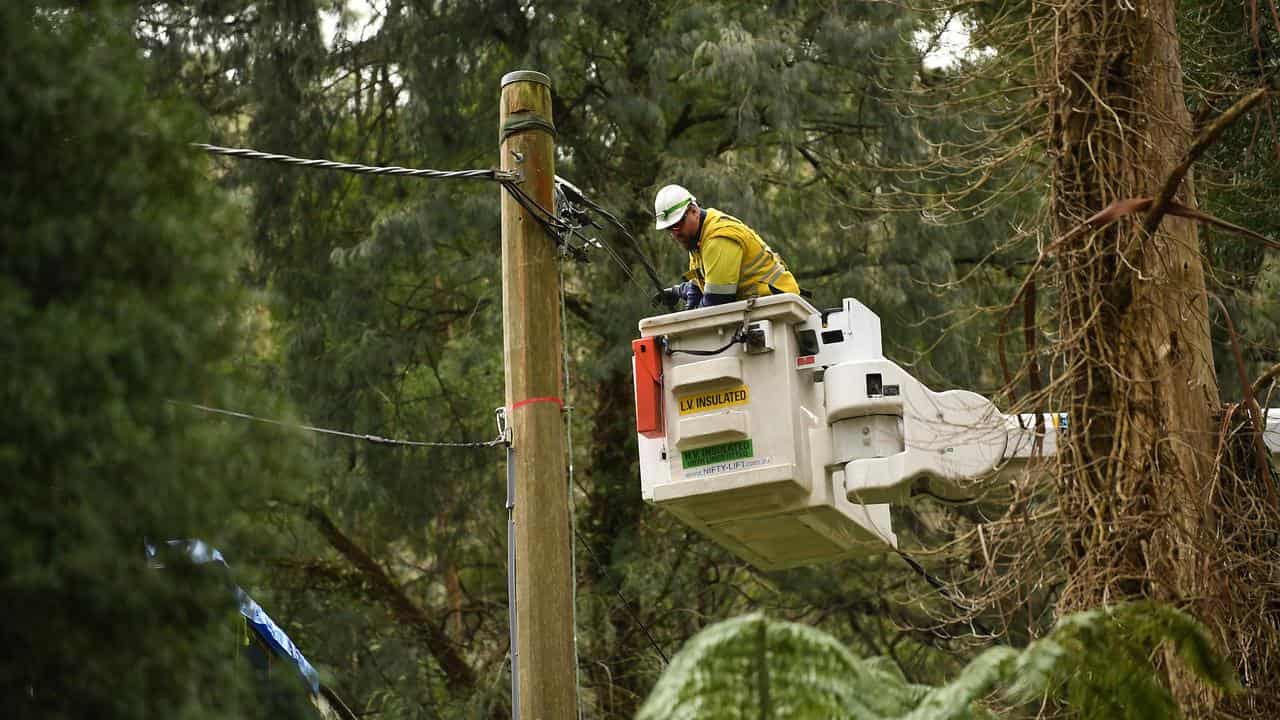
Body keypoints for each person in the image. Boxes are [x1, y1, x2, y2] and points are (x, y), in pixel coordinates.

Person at [651, 184, 801, 310]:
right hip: (758, 306)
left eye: (677, 225)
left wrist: (686, 324)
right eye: (669, 229)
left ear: (694, 211)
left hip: (778, 305)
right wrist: (678, 292)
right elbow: (700, 285)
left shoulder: (718, 239)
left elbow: (716, 302)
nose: (674, 234)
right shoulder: (696, 239)